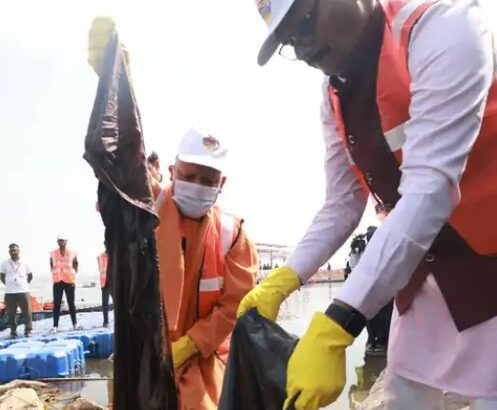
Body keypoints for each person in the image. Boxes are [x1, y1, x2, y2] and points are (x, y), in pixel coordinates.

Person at [240, 0, 497, 408]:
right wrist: (287, 277)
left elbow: (429, 187)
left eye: (304, 22)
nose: (302, 47)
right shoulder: (333, 96)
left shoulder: (445, 26)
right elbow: (343, 202)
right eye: (289, 39)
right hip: (424, 287)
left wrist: (338, 323)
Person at [155, 128, 258, 409]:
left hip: (203, 355)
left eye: (207, 180)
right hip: (145, 352)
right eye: (188, 177)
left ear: (221, 183)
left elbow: (235, 305)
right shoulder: (145, 210)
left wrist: (189, 345)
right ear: (172, 171)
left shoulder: (232, 233)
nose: (197, 186)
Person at [0, 244, 33, 338]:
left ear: (18, 251)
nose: (13, 252)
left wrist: (24, 284)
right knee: (11, 314)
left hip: (23, 291)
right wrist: (9, 284)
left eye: (15, 250)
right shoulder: (4, 263)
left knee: (27, 312)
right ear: (9, 252)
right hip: (10, 292)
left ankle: (28, 330)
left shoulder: (25, 262)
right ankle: (13, 331)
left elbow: (30, 275)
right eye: (11, 250)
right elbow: (2, 276)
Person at [50, 236, 82, 331]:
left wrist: (73, 273)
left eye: (63, 240)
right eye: (59, 241)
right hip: (58, 281)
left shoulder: (72, 253)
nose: (61, 242)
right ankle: (55, 326)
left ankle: (75, 324)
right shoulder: (53, 253)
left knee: (71, 304)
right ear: (57, 242)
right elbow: (51, 265)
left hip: (69, 281)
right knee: (57, 304)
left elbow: (76, 264)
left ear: (66, 242)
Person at [97, 249, 111, 328]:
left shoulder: (115, 255)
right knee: (105, 303)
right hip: (104, 283)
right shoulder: (99, 257)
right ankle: (105, 321)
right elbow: (100, 269)